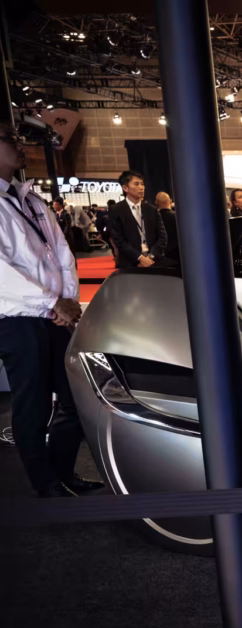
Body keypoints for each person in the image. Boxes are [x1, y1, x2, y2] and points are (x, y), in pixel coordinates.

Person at [0, 122, 100, 498]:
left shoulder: (31, 199)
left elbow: (61, 253)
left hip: (55, 316)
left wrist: (69, 300)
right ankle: (45, 485)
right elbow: (2, 274)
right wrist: (50, 302)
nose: (19, 144)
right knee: (33, 405)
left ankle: (61, 473)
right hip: (17, 320)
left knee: (75, 400)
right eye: (9, 139)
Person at [109, 170, 170, 271]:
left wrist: (150, 257)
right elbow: (119, 240)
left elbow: (163, 237)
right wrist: (140, 258)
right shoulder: (116, 210)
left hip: (154, 261)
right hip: (130, 262)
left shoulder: (151, 209)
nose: (141, 187)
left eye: (142, 184)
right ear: (125, 188)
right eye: (136, 184)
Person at [155, 191, 179, 262]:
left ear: (156, 203)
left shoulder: (152, 219)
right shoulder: (178, 217)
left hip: (159, 257)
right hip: (177, 256)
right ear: (171, 201)